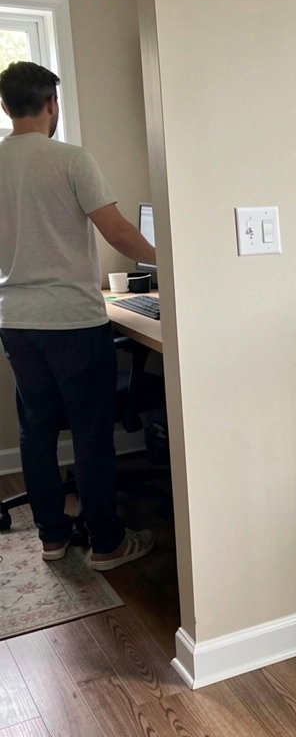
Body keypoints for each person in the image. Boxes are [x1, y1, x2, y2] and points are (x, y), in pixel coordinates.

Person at [0, 61, 158, 570]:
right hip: (71, 319)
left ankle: (52, 536)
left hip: (17, 321)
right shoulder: (70, 158)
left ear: (5, 107)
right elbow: (119, 234)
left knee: (36, 431)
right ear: (52, 104)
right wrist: (174, 260)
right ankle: (107, 544)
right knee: (90, 434)